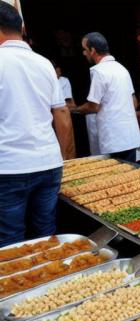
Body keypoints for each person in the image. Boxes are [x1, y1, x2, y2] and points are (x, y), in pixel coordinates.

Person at [0, 1, 74, 247]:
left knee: (10, 240)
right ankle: (50, 282)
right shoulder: (44, 64)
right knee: (45, 232)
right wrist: (65, 159)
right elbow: (62, 115)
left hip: (8, 167)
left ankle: (17, 285)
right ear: (21, 27)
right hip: (48, 163)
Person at [73, 32, 140, 161]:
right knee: (131, 173)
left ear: (92, 50)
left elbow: (93, 106)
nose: (84, 53)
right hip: (130, 137)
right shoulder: (122, 69)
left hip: (114, 140)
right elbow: (134, 102)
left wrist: (75, 109)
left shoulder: (99, 71)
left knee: (117, 177)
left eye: (85, 49)